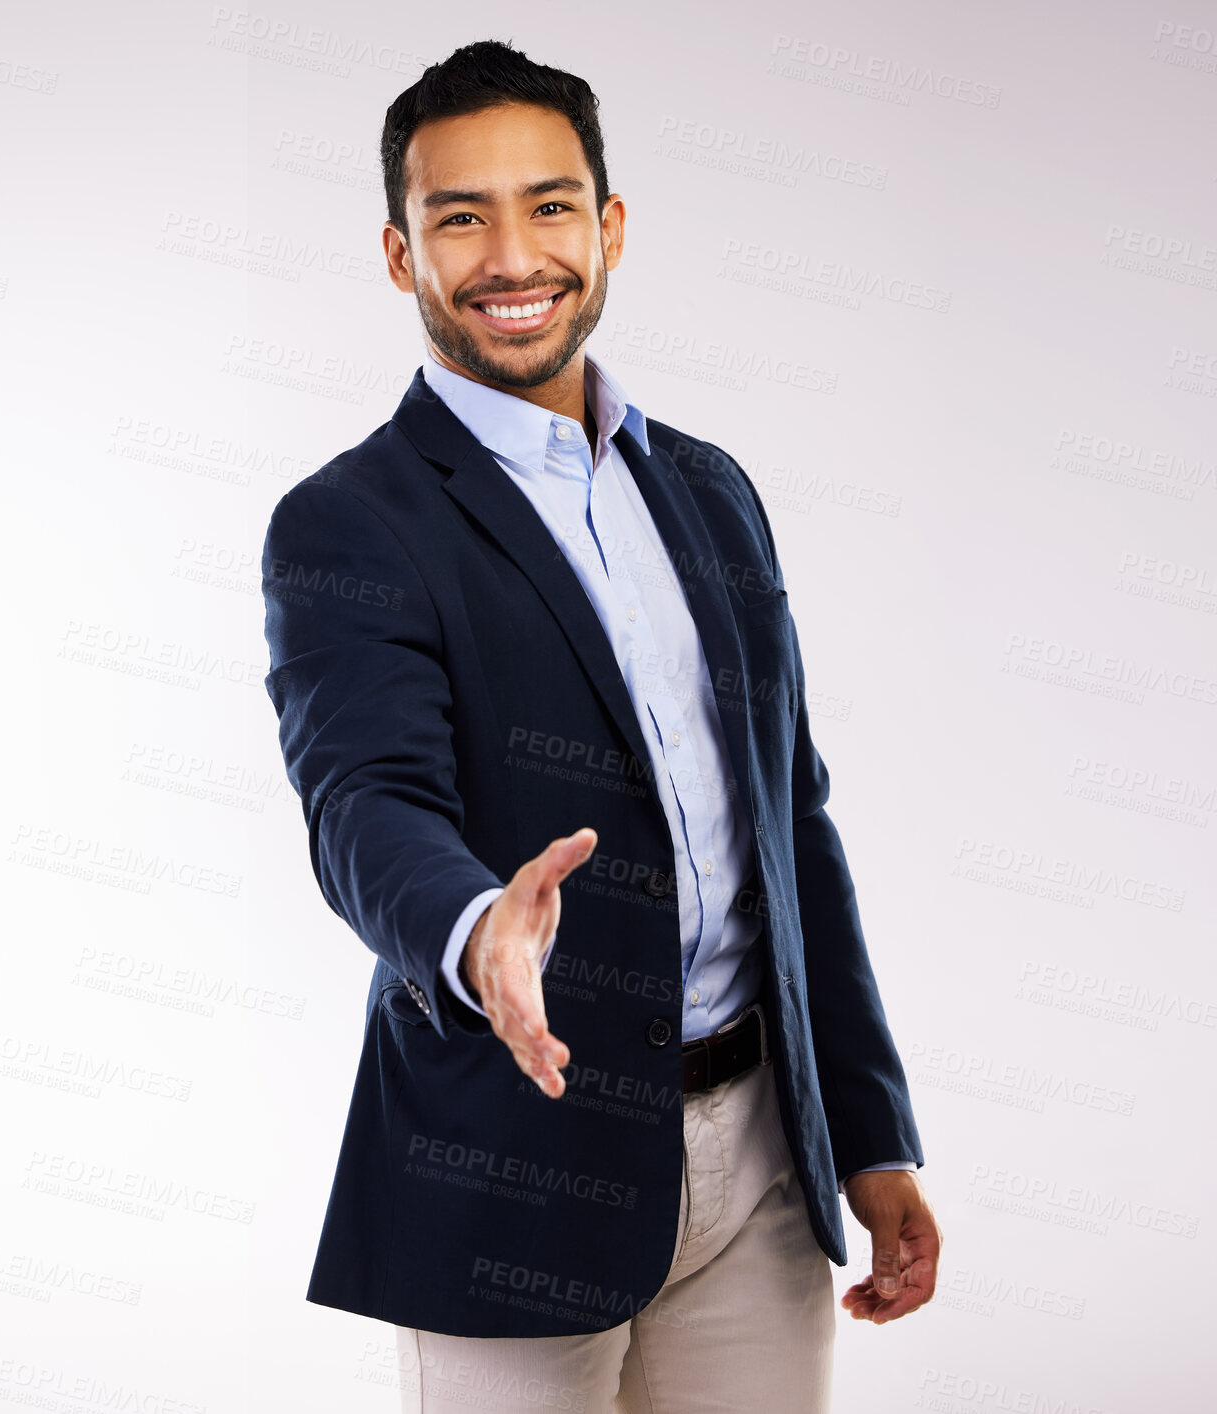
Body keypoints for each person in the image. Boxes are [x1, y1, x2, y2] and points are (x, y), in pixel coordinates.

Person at [261, 38, 942, 1414]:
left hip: (760, 1159)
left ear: (608, 225)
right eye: (460, 216)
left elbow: (789, 824)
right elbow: (362, 800)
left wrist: (866, 1133)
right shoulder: (347, 522)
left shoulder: (709, 492)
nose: (513, 254)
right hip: (511, 1158)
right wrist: (473, 928)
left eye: (549, 205)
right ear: (401, 255)